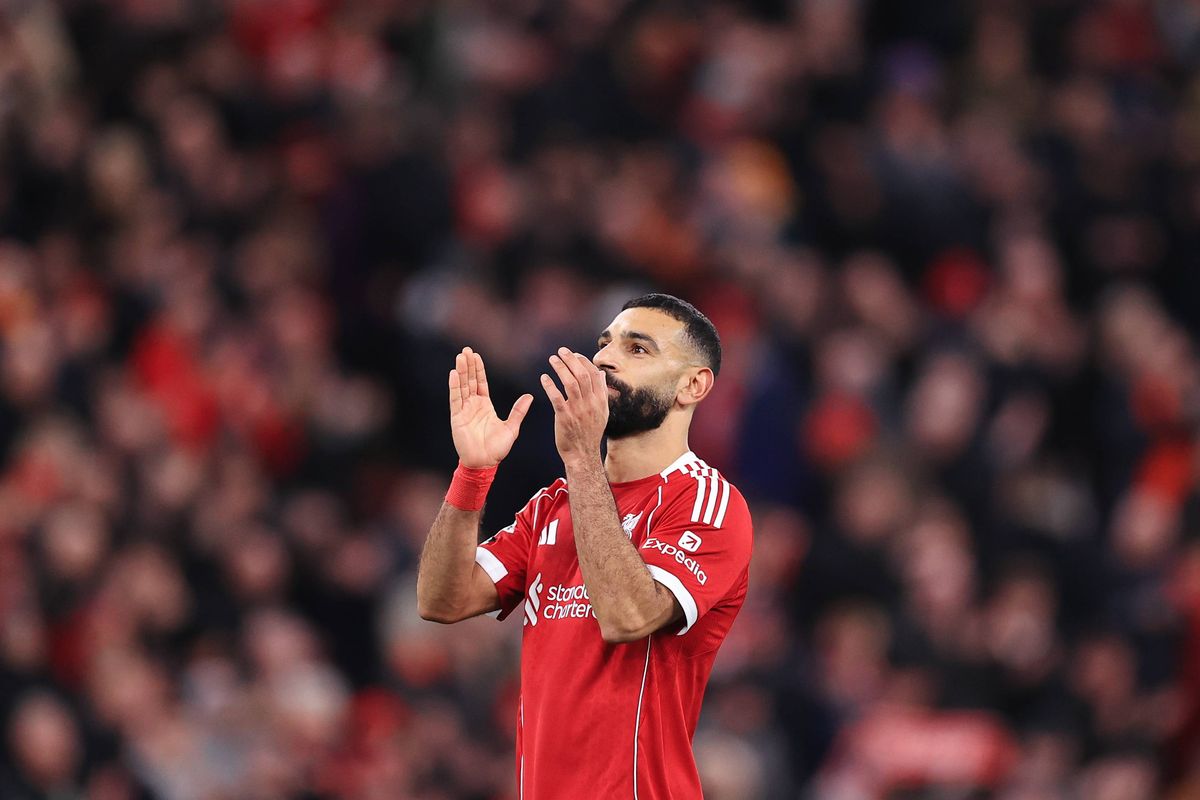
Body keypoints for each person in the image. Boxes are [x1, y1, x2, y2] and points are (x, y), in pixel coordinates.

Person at [416, 293, 754, 799]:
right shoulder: (553, 505)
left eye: (637, 349)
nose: (603, 359)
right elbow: (442, 601)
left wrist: (580, 458)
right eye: (604, 344)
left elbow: (628, 616)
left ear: (693, 385)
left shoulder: (706, 501)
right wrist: (474, 472)